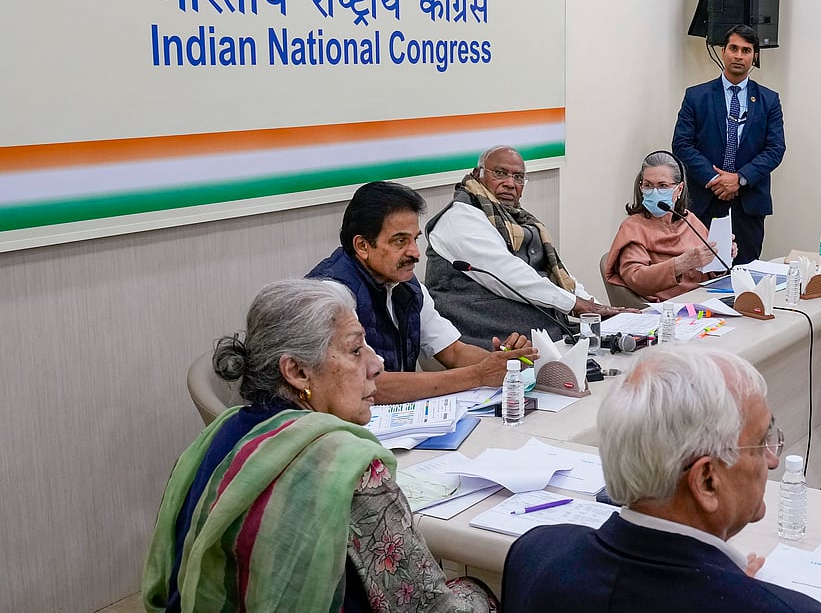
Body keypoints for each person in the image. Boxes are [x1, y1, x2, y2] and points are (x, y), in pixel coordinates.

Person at [143, 279, 495, 613]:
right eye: (355, 350)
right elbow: (426, 607)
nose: (376, 364)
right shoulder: (347, 467)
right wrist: (481, 590)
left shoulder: (217, 436)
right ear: (297, 372)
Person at [500, 348, 821, 613]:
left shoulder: (535, 553)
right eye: (764, 440)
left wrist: (727, 583)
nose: (772, 459)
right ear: (706, 481)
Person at [307, 181, 537, 404]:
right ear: (362, 246)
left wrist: (503, 363)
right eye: (400, 241)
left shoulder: (406, 284)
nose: (416, 253)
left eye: (414, 239)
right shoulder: (332, 295)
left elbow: (454, 352)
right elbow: (370, 384)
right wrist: (479, 375)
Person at [425, 146, 635, 346]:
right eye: (499, 173)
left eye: (518, 177)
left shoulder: (517, 219)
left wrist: (598, 308)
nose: (510, 183)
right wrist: (576, 304)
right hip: (482, 338)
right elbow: (508, 275)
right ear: (478, 173)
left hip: (538, 331)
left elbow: (559, 276)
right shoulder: (459, 219)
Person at [672, 24, 786, 265]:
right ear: (723, 51)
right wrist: (715, 180)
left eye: (746, 50)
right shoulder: (696, 96)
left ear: (754, 56)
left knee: (745, 273)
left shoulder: (768, 100)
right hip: (704, 201)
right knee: (699, 273)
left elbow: (775, 149)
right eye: (733, 48)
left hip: (748, 203)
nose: (738, 55)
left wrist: (739, 178)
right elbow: (682, 144)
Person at [605, 150, 730, 302]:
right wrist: (679, 264)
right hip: (666, 310)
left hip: (705, 302)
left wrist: (721, 254)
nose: (654, 192)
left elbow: (709, 271)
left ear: (679, 189)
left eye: (663, 185)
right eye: (648, 185)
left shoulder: (689, 220)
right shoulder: (633, 227)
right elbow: (636, 278)